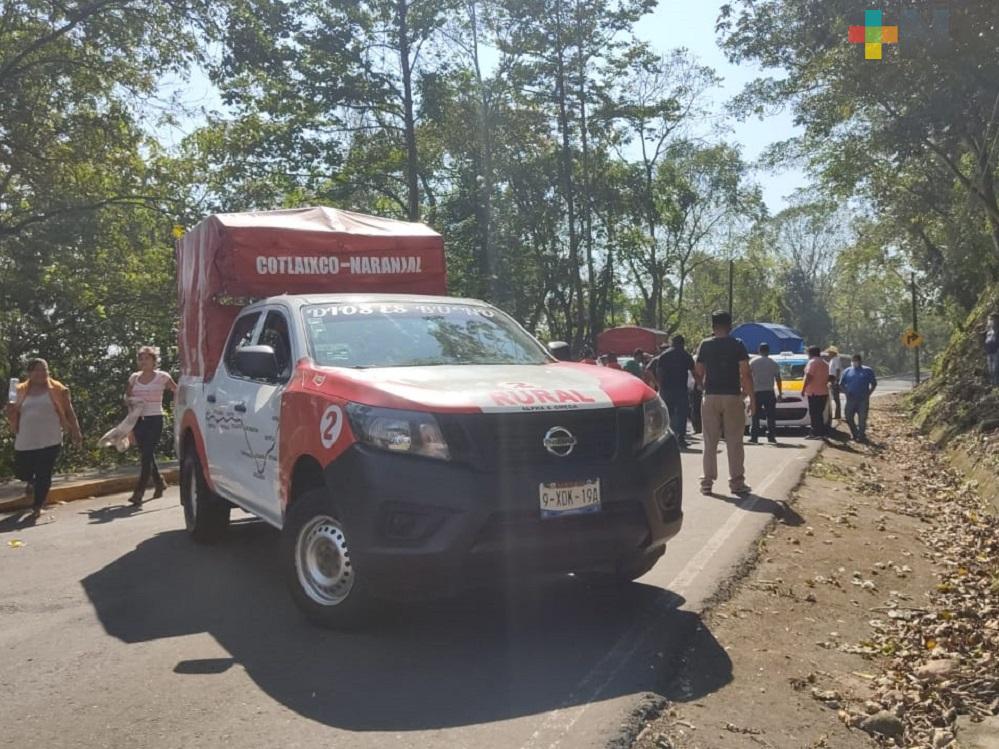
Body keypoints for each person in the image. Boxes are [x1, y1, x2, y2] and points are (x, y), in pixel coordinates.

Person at [4, 359, 83, 520]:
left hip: (51, 439)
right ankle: (31, 482)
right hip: (25, 439)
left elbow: (69, 412)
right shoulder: (19, 390)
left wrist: (76, 432)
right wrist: (9, 410)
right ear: (29, 373)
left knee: (44, 474)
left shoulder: (58, 389)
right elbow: (11, 414)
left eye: (44, 370)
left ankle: (38, 506)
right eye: (37, 370)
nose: (41, 374)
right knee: (23, 472)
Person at [694, 311, 755, 496]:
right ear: (730, 326)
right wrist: (752, 397)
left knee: (710, 441)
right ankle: (737, 483)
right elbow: (745, 373)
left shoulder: (705, 345)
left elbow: (698, 372)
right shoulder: (737, 345)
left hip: (711, 396)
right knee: (734, 441)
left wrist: (703, 387)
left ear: (712, 326)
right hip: (732, 396)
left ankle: (707, 482)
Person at [125, 346, 177, 506]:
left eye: (147, 358)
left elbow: (176, 390)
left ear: (154, 361)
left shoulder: (162, 377)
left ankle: (139, 492)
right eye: (141, 359)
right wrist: (130, 423)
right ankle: (159, 482)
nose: (143, 362)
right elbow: (127, 398)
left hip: (155, 419)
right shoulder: (134, 378)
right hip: (139, 420)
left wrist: (175, 406)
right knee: (147, 455)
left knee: (147, 454)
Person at [651, 335, 696, 448]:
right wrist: (699, 383)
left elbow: (659, 371)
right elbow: (694, 371)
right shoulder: (686, 355)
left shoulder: (664, 355)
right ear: (682, 343)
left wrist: (659, 385)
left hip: (666, 388)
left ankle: (666, 439)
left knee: (667, 413)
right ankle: (680, 438)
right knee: (682, 414)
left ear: (672, 343)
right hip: (681, 389)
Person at [749, 343, 783, 444]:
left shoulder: (753, 362)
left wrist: (747, 391)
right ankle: (771, 436)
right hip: (769, 392)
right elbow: (778, 378)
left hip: (756, 392)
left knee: (755, 415)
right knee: (771, 416)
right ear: (768, 351)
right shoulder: (773, 363)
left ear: (759, 351)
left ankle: (754, 437)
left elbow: (748, 376)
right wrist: (780, 393)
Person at [840, 354, 877, 442]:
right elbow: (841, 384)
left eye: (856, 361)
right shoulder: (847, 371)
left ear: (860, 361)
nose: (854, 362)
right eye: (853, 361)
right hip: (851, 399)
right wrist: (846, 392)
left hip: (863, 399)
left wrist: (869, 393)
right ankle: (855, 433)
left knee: (862, 419)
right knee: (848, 417)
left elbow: (874, 383)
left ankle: (861, 436)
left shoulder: (867, 370)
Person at [802, 345, 830, 439]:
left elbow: (809, 376)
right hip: (823, 392)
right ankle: (820, 433)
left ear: (810, 353)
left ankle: (815, 433)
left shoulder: (812, 362)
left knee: (814, 413)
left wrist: (803, 388)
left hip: (814, 392)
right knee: (819, 413)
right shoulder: (825, 363)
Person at [825, 346, 843, 420]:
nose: (828, 354)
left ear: (832, 353)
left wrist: (836, 380)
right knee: (834, 398)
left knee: (836, 398)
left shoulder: (836, 359)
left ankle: (838, 414)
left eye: (829, 352)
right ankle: (836, 414)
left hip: (834, 379)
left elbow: (838, 370)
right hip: (831, 379)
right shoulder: (832, 360)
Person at [986, 314, 999, 387]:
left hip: (996, 351)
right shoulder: (989, 330)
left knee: (996, 368)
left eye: (993, 319)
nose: (991, 321)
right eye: (991, 319)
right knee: (990, 369)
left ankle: (997, 383)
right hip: (989, 352)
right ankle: (993, 383)